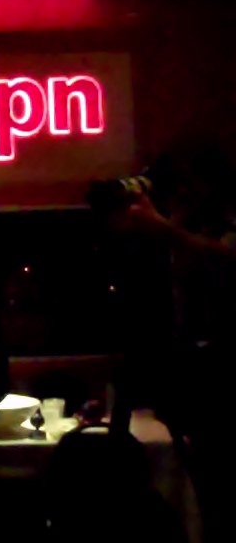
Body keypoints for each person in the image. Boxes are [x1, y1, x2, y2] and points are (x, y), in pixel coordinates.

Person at [108, 140, 236, 543]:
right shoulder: (182, 223)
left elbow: (223, 257)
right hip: (194, 361)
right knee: (204, 476)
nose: (182, 194)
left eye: (188, 185)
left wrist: (162, 228)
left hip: (226, 361)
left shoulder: (223, 222)